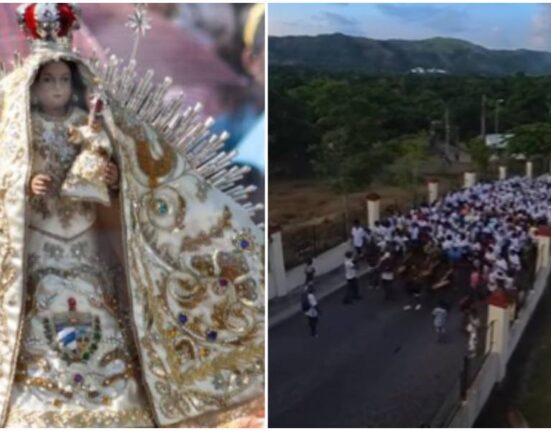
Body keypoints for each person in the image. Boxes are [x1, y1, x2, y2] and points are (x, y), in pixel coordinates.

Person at [0, 4, 264, 427]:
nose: (55, 89)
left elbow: (144, 174)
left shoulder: (97, 120)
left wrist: (116, 179)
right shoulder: (12, 127)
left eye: (62, 80)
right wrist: (23, 187)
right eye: (47, 81)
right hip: (35, 249)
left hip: (92, 247)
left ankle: (122, 395)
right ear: (31, 84)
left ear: (75, 80)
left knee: (106, 320)